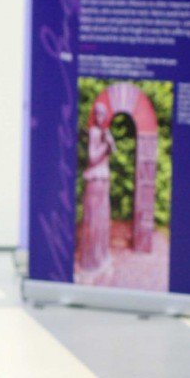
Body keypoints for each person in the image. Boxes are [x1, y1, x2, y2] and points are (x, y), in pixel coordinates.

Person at [79, 100, 115, 274]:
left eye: (103, 114)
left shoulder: (103, 132)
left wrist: (110, 142)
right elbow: (92, 158)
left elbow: (113, 151)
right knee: (94, 219)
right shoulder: (94, 132)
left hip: (103, 179)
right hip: (95, 179)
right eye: (98, 114)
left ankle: (101, 255)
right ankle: (92, 259)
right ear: (94, 116)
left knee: (102, 218)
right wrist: (105, 145)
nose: (101, 117)